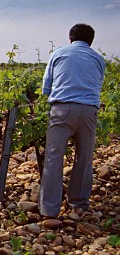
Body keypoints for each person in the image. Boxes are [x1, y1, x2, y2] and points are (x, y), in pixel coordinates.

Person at [39, 23, 106, 220]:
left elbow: (46, 87)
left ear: (70, 38)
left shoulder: (58, 54)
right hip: (88, 111)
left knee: (53, 159)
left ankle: (49, 210)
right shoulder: (98, 59)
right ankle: (78, 204)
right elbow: (98, 84)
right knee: (84, 158)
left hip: (62, 108)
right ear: (91, 41)